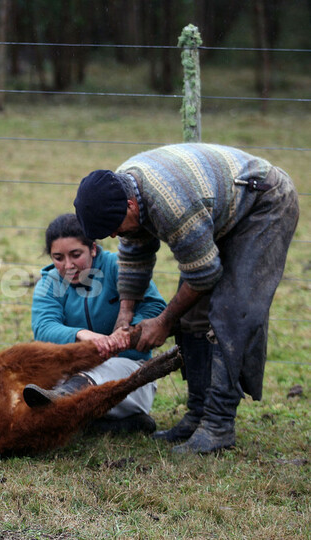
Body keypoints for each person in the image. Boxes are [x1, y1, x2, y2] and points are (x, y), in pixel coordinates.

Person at [73, 143, 299, 454]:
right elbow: (135, 254)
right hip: (216, 208)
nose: (113, 236)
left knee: (231, 313)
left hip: (262, 204)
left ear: (131, 206)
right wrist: (124, 316)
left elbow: (204, 275)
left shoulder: (171, 205)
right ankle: (197, 415)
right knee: (193, 316)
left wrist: (164, 322)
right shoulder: (121, 188)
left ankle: (218, 425)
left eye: (114, 229)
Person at [23, 214, 167, 434]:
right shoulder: (49, 282)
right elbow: (44, 328)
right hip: (70, 370)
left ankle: (65, 401)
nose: (68, 265)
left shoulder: (119, 267)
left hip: (129, 374)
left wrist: (126, 334)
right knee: (31, 382)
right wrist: (83, 335)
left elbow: (154, 308)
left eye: (75, 255)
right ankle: (102, 425)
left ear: (92, 248)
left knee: (101, 371)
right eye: (58, 257)